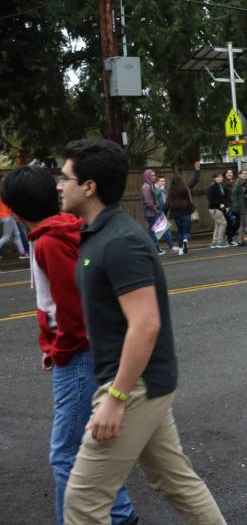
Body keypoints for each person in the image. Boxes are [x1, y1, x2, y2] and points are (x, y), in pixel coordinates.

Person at [57, 139, 224, 523]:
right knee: (175, 481)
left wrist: (116, 396)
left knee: (83, 500)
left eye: (65, 178)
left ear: (89, 186)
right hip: (138, 383)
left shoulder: (120, 242)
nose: (59, 185)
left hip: (133, 386)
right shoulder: (99, 235)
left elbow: (145, 323)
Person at [0, 166, 138, 525]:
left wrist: (59, 350)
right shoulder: (59, 230)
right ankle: (120, 513)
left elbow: (73, 311)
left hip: (78, 355)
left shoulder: (48, 241)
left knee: (66, 454)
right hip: (83, 351)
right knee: (92, 443)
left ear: (14, 209)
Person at [165, 163, 201, 255]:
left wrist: (164, 214)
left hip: (176, 214)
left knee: (180, 231)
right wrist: (197, 170)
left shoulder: (171, 192)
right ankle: (185, 240)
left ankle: (181, 249)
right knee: (186, 230)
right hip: (186, 212)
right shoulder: (185, 188)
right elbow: (194, 180)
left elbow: (167, 204)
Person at [230, 168, 247, 247]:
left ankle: (241, 241)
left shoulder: (245, 182)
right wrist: (236, 207)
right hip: (241, 207)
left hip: (245, 206)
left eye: (246, 173)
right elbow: (233, 196)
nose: (244, 175)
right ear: (239, 175)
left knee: (242, 225)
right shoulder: (238, 183)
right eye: (243, 174)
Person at [139, 169, 165, 252]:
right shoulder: (146, 187)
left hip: (153, 212)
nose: (154, 177)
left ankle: (156, 248)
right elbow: (148, 202)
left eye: (154, 175)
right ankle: (155, 249)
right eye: (152, 175)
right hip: (151, 213)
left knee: (153, 231)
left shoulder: (150, 185)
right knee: (153, 232)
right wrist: (156, 209)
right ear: (148, 176)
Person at [1, 192, 30, 259]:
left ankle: (23, 253)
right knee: (6, 236)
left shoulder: (2, 197)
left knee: (17, 234)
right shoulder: (6, 196)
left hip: (5, 217)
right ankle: (23, 253)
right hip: (8, 217)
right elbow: (10, 207)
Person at [152, 176, 177, 253]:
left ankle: (160, 248)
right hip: (157, 212)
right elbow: (154, 198)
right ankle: (170, 246)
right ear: (157, 182)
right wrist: (160, 190)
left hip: (163, 212)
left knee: (162, 230)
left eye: (165, 181)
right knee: (161, 231)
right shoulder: (155, 190)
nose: (164, 183)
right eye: (162, 181)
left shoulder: (162, 190)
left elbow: (165, 200)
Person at [207, 172, 230, 249]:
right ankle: (220, 242)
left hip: (220, 209)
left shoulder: (221, 186)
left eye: (220, 177)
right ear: (214, 178)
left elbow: (224, 198)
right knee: (223, 223)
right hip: (214, 209)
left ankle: (214, 242)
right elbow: (210, 199)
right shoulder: (212, 187)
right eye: (217, 177)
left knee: (218, 225)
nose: (219, 178)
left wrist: (226, 206)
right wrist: (219, 204)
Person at [223, 168, 240, 247]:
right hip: (228, 207)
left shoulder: (235, 183)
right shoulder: (224, 184)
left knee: (238, 222)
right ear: (225, 175)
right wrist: (227, 206)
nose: (229, 174)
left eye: (230, 172)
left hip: (236, 206)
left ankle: (230, 235)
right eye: (227, 173)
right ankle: (230, 240)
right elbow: (223, 197)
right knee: (230, 223)